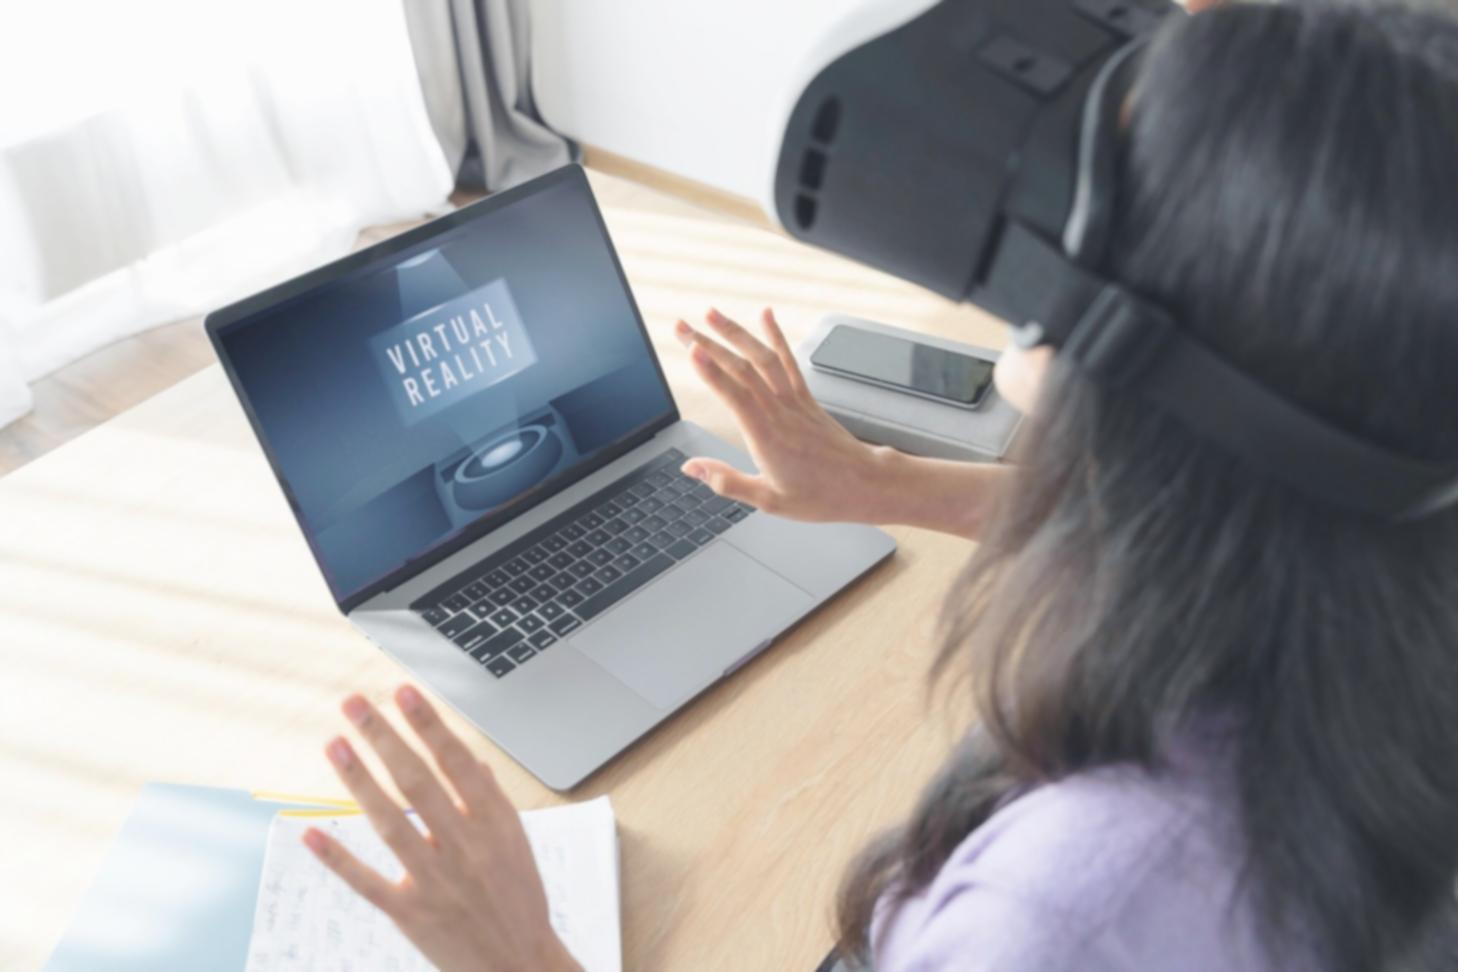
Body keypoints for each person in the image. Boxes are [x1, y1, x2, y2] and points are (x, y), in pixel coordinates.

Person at [299, 1, 1458, 969]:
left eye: (1118, 197)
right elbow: (1266, 518)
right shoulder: (1398, 542)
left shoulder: (1068, 912)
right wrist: (884, 481)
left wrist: (520, 952)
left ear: (1165, 351)